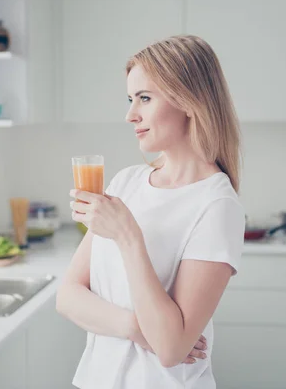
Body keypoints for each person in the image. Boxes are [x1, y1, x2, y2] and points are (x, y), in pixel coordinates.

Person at [56, 35, 246, 389]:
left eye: (144, 98)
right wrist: (133, 327)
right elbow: (67, 296)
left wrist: (128, 238)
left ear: (190, 100)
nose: (130, 115)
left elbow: (171, 348)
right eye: (130, 99)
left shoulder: (217, 206)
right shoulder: (126, 182)